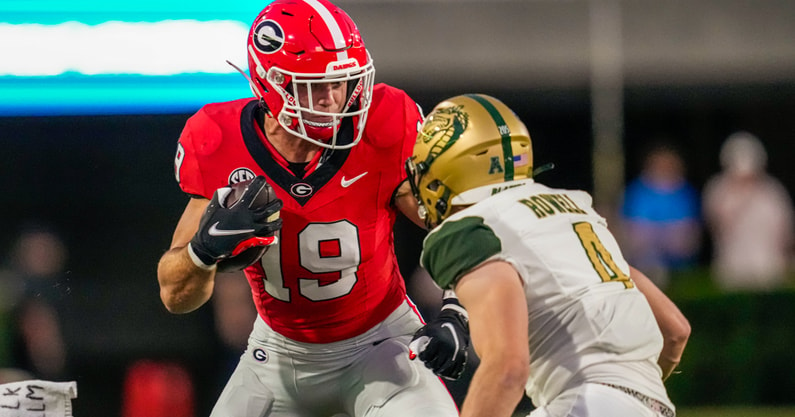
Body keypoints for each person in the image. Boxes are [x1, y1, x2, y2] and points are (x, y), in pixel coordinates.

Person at [156, 1, 467, 416]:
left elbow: (456, 229)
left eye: (341, 82)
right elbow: (174, 296)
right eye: (314, 85)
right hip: (279, 354)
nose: (333, 98)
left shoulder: (383, 123)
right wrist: (202, 252)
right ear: (272, 83)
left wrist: (457, 309)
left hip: (382, 343)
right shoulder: (217, 138)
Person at [404, 94, 691, 417]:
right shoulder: (576, 211)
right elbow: (676, 330)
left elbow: (507, 370)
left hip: (587, 404)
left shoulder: (472, 228)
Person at [702, 131, 795, 292]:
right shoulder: (718, 190)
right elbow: (716, 225)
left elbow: (785, 233)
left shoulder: (773, 192)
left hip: (769, 269)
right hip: (732, 269)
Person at [619, 142, 702, 289]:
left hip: (680, 265)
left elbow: (691, 232)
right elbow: (630, 230)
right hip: (643, 263)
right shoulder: (637, 191)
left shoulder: (685, 193)